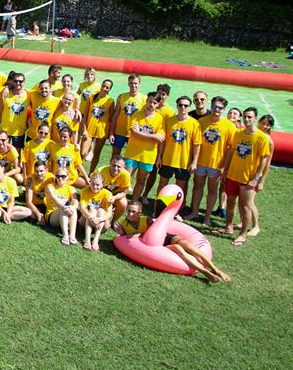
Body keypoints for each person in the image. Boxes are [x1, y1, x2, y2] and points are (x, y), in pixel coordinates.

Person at [115, 200, 230, 283]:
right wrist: (120, 232)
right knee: (178, 249)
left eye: (133, 212)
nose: (130, 214)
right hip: (158, 247)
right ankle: (204, 271)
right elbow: (122, 238)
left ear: (140, 212)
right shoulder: (124, 224)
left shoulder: (147, 220)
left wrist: (139, 234)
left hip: (166, 238)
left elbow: (153, 233)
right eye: (129, 211)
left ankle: (216, 269)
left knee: (189, 246)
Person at [221, 107, 271, 246]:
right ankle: (228, 228)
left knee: (245, 206)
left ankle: (243, 234)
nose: (247, 119)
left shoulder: (261, 137)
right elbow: (231, 151)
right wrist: (225, 169)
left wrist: (256, 178)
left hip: (248, 179)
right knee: (230, 203)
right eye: (245, 117)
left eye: (250, 117)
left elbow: (264, 159)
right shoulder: (238, 133)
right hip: (233, 175)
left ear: (255, 119)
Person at [185, 96, 232, 225]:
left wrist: (224, 167)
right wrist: (194, 161)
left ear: (224, 109)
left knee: (212, 190)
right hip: (201, 162)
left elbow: (231, 149)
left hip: (216, 164)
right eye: (214, 106)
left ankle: (207, 217)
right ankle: (194, 212)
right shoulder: (201, 122)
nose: (217, 109)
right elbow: (196, 142)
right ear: (211, 106)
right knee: (197, 187)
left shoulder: (229, 126)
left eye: (220, 108)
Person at [156, 96, 200, 202]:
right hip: (168, 159)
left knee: (180, 187)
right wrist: (159, 157)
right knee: (162, 183)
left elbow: (197, 144)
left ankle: (177, 208)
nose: (183, 107)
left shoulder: (195, 124)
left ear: (189, 107)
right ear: (177, 106)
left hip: (184, 161)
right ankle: (159, 205)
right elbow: (163, 140)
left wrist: (194, 162)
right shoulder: (169, 121)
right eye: (180, 105)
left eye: (186, 105)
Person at [123, 92, 166, 203]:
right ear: (146, 101)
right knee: (126, 177)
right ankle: (121, 200)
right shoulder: (137, 115)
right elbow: (133, 133)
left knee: (141, 180)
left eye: (155, 103)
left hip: (148, 156)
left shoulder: (160, 119)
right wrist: (153, 137)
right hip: (132, 153)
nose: (151, 104)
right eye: (150, 101)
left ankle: (134, 202)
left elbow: (160, 139)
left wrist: (140, 134)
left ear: (158, 104)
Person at [0, 159, 31, 224]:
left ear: (3, 169)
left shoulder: (11, 181)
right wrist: (3, 212)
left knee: (28, 212)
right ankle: (7, 216)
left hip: (9, 207)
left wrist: (7, 213)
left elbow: (11, 201)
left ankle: (2, 217)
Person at [81, 79, 114, 173]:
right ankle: (79, 172)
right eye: (103, 86)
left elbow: (111, 118)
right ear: (101, 85)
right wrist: (84, 130)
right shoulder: (91, 98)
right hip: (89, 130)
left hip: (101, 131)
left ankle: (90, 174)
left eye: (107, 87)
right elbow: (85, 115)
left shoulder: (110, 101)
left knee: (96, 153)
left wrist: (110, 133)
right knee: (83, 153)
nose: (104, 88)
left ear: (109, 89)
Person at [78, 173, 112, 251]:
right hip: (86, 221)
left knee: (101, 211)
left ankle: (95, 240)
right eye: (93, 184)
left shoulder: (107, 193)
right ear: (90, 182)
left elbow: (109, 213)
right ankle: (87, 239)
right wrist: (91, 218)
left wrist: (99, 219)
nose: (95, 187)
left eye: (97, 185)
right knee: (92, 211)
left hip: (101, 224)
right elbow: (82, 207)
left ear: (102, 185)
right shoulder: (84, 191)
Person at [45, 168, 78, 246]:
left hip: (66, 213)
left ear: (67, 177)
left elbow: (75, 201)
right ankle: (65, 235)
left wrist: (72, 207)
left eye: (63, 176)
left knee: (73, 209)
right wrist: (64, 207)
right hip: (52, 214)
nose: (60, 178)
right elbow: (54, 199)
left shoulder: (71, 188)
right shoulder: (50, 186)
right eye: (58, 176)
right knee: (63, 209)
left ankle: (72, 236)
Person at [0, 72, 29, 149]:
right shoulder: (5, 93)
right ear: (12, 81)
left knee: (17, 153)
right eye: (15, 81)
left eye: (20, 81)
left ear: (24, 82)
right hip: (5, 130)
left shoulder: (28, 95)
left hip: (19, 131)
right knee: (3, 151)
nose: (18, 83)